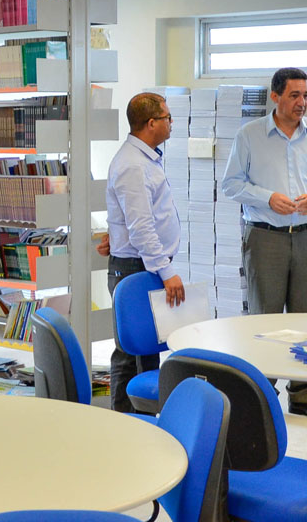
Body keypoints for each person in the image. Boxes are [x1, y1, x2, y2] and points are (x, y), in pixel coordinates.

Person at [221, 67, 307, 420]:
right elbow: (231, 184)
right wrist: (267, 198)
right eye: (294, 95)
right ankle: (263, 393)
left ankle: (302, 394)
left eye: (306, 95)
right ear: (275, 96)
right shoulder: (249, 135)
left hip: (306, 236)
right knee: (266, 319)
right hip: (264, 236)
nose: (302, 102)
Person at [99, 92, 185, 413]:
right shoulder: (133, 165)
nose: (171, 122)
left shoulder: (144, 158)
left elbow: (134, 218)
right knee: (131, 353)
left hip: (141, 264)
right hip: (135, 268)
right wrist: (167, 271)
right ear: (151, 123)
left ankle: (144, 419)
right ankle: (125, 420)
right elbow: (141, 228)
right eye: (167, 117)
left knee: (145, 352)